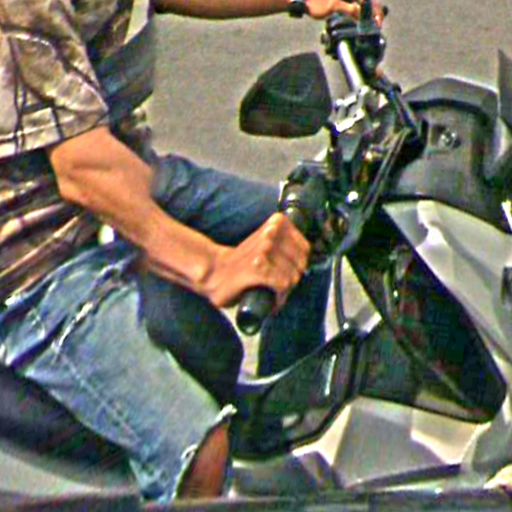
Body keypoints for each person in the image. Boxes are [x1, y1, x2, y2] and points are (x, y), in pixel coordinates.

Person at [0, 0, 382, 504]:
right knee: (198, 450)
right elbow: (83, 170)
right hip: (39, 260)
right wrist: (215, 266)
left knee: (306, 233)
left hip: (130, 173)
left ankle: (272, 450)